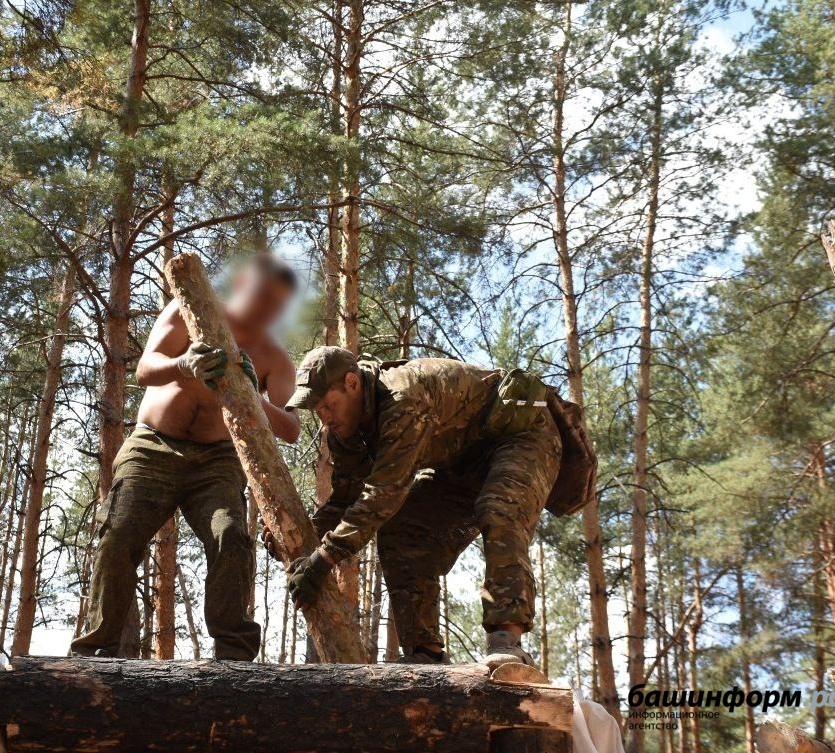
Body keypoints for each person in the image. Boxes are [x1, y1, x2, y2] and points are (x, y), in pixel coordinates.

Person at [70, 254, 301, 660]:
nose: (266, 308)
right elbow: (145, 369)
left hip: (217, 461)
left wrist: (251, 393)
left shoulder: (274, 358)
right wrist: (184, 364)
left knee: (231, 536)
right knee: (119, 532)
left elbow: (292, 428)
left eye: (276, 305)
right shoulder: (188, 311)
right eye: (262, 295)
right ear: (243, 281)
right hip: (153, 446)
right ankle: (95, 651)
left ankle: (234, 657)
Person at [280, 347, 565, 668]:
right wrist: (298, 535)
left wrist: (322, 560)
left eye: (329, 406)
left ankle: (507, 642)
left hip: (522, 435)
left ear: (352, 383)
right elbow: (344, 499)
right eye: (318, 411)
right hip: (459, 462)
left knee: (499, 507)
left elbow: (382, 495)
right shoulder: (345, 433)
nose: (326, 418)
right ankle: (425, 652)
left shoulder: (403, 397)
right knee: (402, 528)